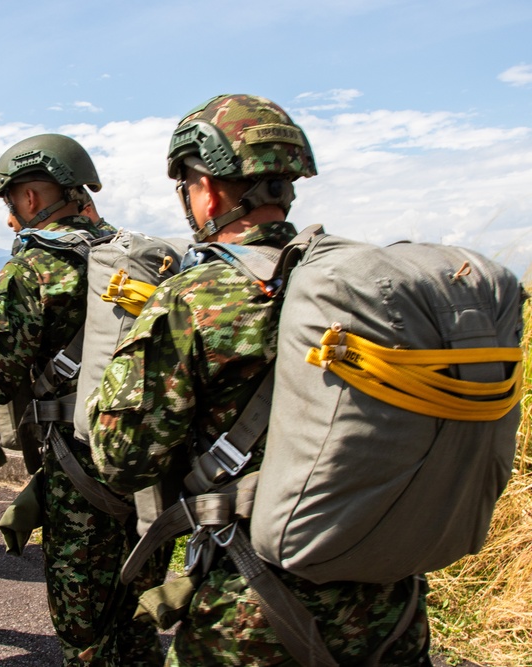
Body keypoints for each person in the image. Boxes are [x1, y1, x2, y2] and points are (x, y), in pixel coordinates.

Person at [88, 94, 431, 665]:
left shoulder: (193, 298)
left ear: (210, 189)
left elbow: (123, 460)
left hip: (256, 611)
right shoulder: (365, 284)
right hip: (392, 602)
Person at [0, 134, 164, 666]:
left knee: (85, 626)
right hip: (147, 469)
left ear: (31, 199)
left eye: (10, 202)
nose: (11, 215)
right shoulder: (134, 258)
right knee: (136, 618)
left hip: (79, 470)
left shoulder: (34, 268)